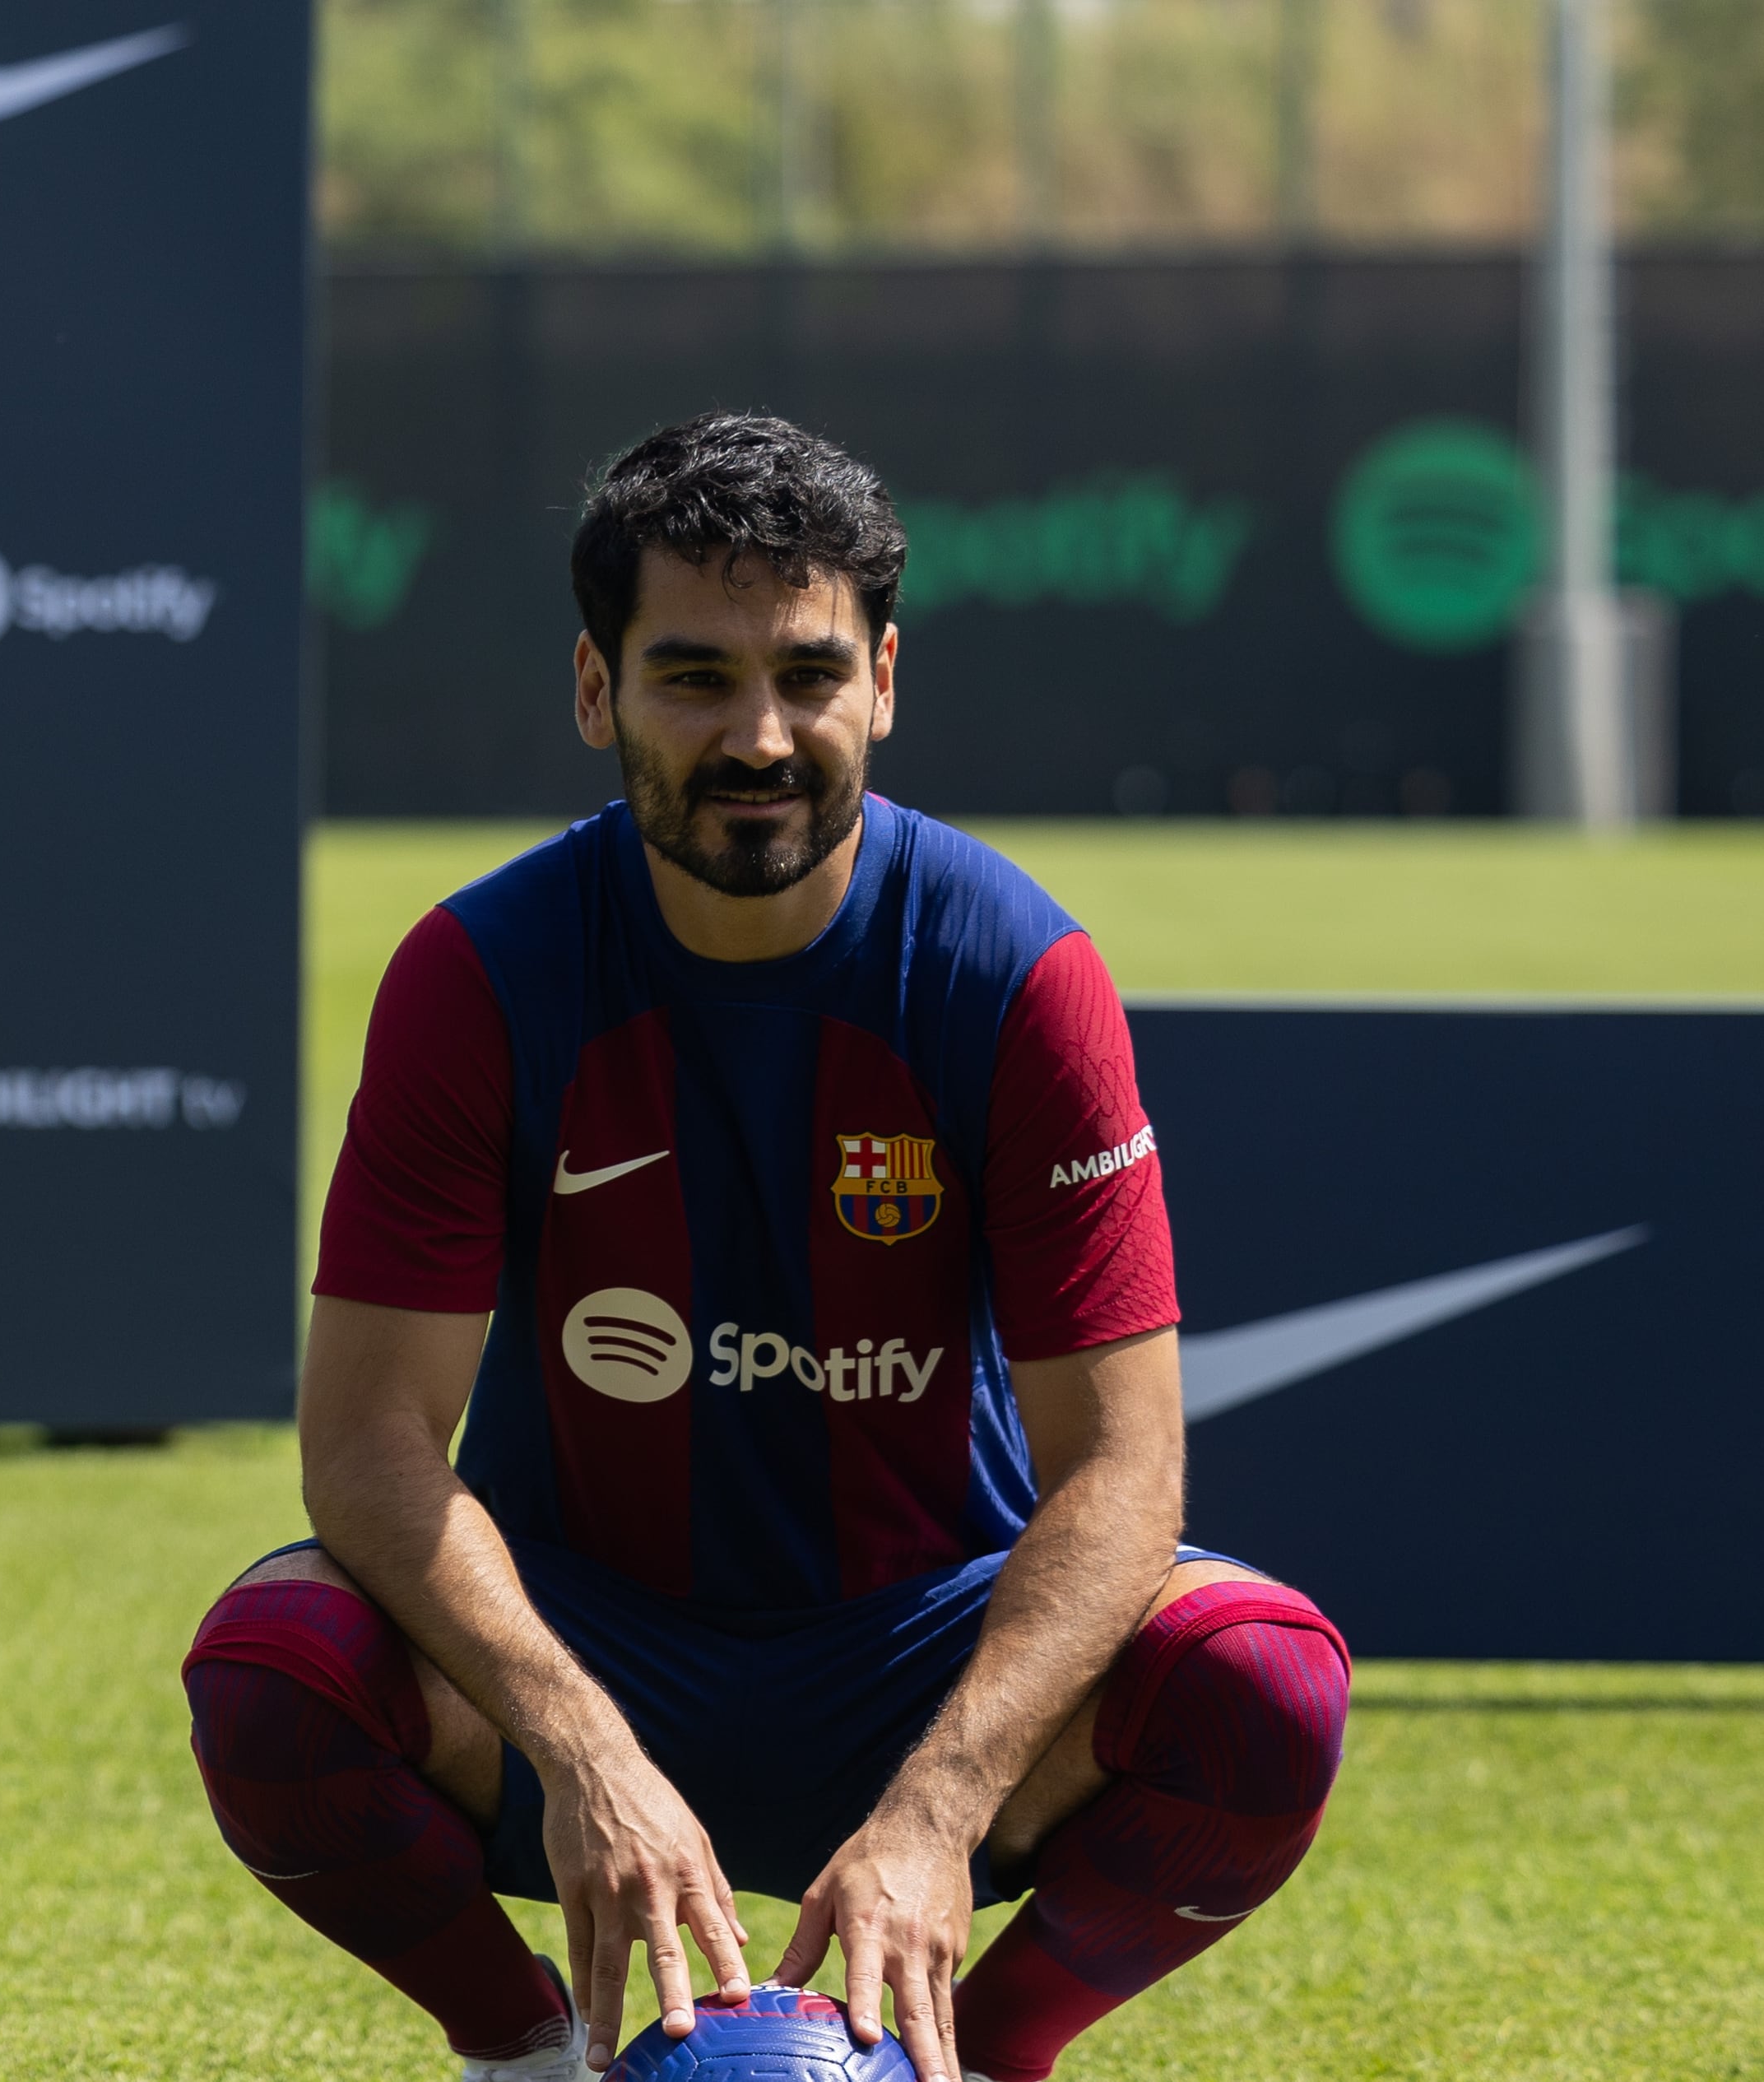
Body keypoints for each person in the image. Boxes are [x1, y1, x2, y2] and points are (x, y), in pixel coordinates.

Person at [182, 415, 1349, 2082]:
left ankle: (978, 2059)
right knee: (272, 1667)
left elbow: (1125, 1466)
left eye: (807, 673)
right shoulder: (477, 972)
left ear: (884, 679)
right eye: (692, 675)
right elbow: (365, 1446)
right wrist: (581, 1743)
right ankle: (529, 2055)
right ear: (594, 689)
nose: (759, 734)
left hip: (918, 1640)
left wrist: (941, 1805)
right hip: (586, 1633)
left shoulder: (1015, 971)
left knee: (1263, 1679)